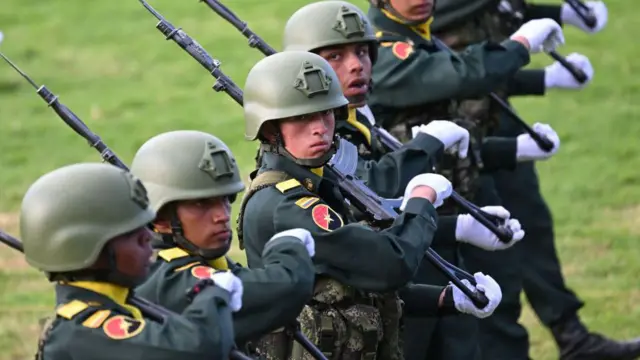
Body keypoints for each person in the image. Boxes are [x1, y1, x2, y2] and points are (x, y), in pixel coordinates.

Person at [239, 50, 503, 360]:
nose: (320, 128)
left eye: (326, 114)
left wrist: (446, 298)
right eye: (302, 117)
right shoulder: (284, 204)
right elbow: (389, 264)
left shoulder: (316, 181)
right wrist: (421, 199)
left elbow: (357, 284)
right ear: (270, 130)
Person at [431, 1, 640, 359]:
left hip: (490, 118)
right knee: (491, 271)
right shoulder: (409, 24)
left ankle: (569, 332)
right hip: (449, 142)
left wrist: (558, 18)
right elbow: (455, 44)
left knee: (532, 223)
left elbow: (499, 23)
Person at [365, 0, 562, 358]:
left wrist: (512, 149)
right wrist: (521, 45)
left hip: (460, 194)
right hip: (419, 218)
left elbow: (455, 125)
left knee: (497, 305)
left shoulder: (415, 35)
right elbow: (463, 74)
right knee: (431, 335)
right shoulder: (384, 51)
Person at [281, 0, 525, 260]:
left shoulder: (358, 116)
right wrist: (429, 143)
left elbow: (389, 214)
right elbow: (373, 189)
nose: (356, 65)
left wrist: (459, 227)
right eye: (335, 57)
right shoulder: (312, 136)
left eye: (362, 51)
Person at [20, 162, 243, 360]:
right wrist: (212, 294)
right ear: (89, 250)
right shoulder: (84, 332)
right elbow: (199, 347)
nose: (148, 237)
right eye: (132, 233)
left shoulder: (118, 307)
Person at [129, 130, 317, 352]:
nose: (222, 215)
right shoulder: (169, 278)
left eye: (225, 199)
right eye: (202, 204)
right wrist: (287, 247)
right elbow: (284, 289)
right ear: (160, 216)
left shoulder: (191, 258)